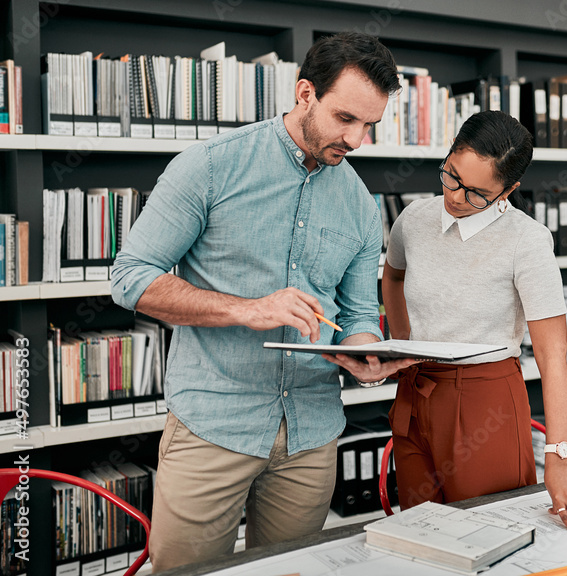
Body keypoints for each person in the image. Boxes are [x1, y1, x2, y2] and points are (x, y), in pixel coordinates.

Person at [110, 32, 415, 571]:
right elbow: (131, 279)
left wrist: (366, 354)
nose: (358, 139)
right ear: (304, 94)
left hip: (311, 436)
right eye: (346, 118)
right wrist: (245, 309)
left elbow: (360, 314)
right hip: (213, 426)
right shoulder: (208, 166)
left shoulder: (362, 206)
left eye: (370, 124)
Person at [371, 110, 567, 533]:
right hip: (415, 394)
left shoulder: (527, 240)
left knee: (489, 535)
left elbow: (554, 360)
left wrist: (558, 458)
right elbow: (394, 274)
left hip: (485, 402)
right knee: (420, 538)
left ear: (508, 190)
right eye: (451, 176)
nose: (457, 197)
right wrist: (402, 341)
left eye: (478, 193)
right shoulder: (414, 219)